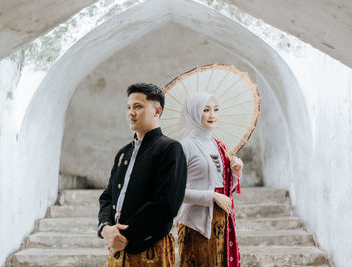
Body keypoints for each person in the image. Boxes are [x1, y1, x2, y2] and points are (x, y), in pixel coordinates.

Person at [97, 83, 187, 267]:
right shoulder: (123, 154)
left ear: (157, 111)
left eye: (138, 106)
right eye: (128, 107)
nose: (131, 112)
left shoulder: (170, 149)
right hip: (117, 251)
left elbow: (166, 203)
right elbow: (107, 197)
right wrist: (106, 228)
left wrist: (124, 235)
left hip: (150, 248)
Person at [176, 92, 243, 267]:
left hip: (221, 219)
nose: (212, 115)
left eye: (216, 109)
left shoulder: (217, 144)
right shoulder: (184, 147)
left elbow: (224, 185)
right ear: (193, 113)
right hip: (196, 224)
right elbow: (175, 191)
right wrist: (212, 196)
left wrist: (234, 172)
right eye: (206, 110)